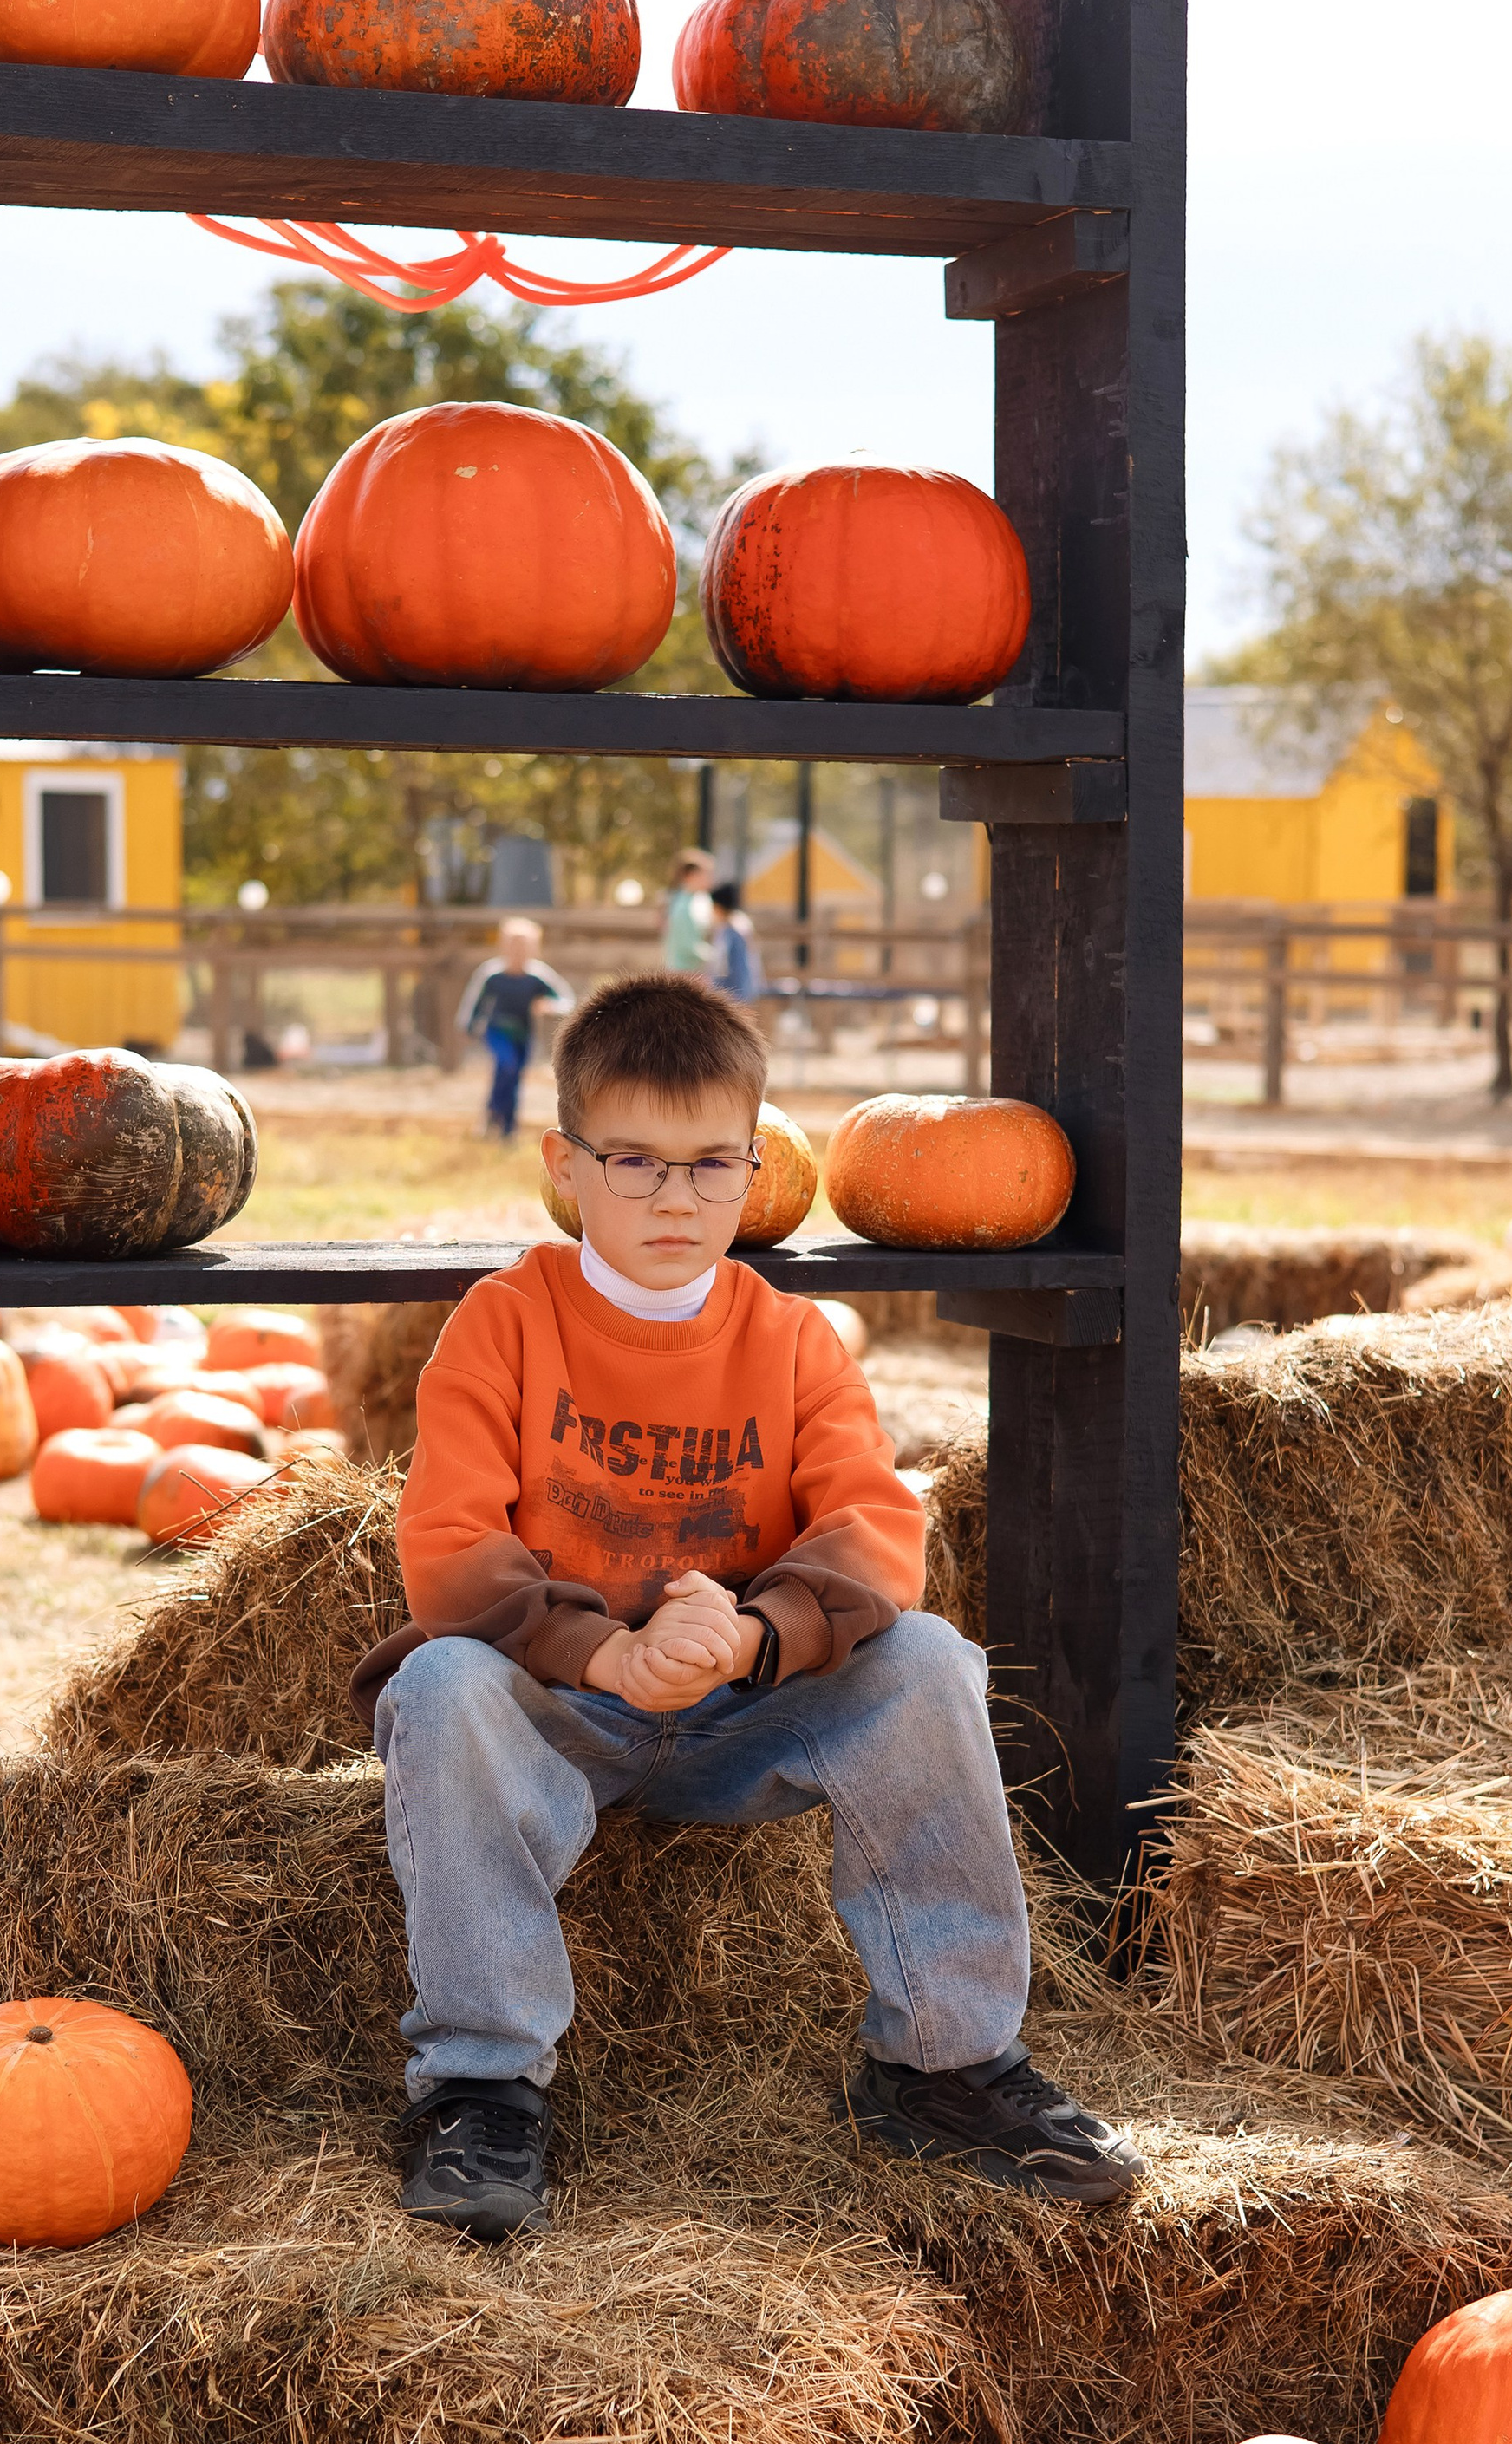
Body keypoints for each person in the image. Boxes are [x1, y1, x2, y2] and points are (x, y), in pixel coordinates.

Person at [354, 972, 1146, 2241]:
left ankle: (943, 2063)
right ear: (567, 1167)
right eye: (636, 1163)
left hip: (747, 1712)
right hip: (562, 1711)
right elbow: (450, 1546)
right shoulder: (502, 1325)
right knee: (438, 1685)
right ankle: (484, 2089)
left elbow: (877, 1528)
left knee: (932, 1660)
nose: (677, 1198)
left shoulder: (787, 1339)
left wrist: (756, 1634)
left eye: (712, 1165)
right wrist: (606, 1655)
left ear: (757, 1164)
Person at [457, 916, 574, 1141]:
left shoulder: (537, 976)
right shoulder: (492, 975)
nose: (518, 952)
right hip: (497, 1031)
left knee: (514, 1077)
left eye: (524, 947)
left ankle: (507, 1127)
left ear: (533, 949)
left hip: (523, 1034)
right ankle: (494, 1114)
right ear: (503, 946)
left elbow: (566, 999)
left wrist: (549, 1005)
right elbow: (475, 1003)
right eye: (513, 946)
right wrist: (469, 1027)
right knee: (506, 1064)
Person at [707, 878, 765, 1005]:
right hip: (737, 991)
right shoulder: (734, 925)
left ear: (718, 907)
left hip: (734, 993)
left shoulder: (733, 930)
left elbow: (734, 966)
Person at [662, 848, 714, 979]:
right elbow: (688, 946)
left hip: (693, 972)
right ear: (691, 876)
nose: (710, 879)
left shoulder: (697, 901)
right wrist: (718, 955)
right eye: (705, 874)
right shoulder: (682, 907)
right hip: (684, 976)